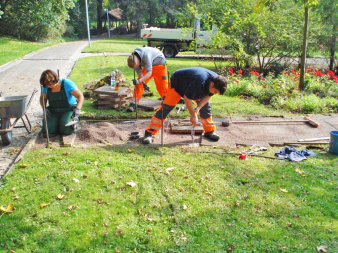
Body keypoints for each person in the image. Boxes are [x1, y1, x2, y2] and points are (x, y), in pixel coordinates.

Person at [142, 67, 227, 144]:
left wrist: (198, 108)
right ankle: (150, 132)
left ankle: (209, 132)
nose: (214, 93)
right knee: (167, 107)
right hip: (178, 83)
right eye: (215, 91)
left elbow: (208, 96)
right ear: (211, 84)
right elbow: (187, 98)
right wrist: (193, 115)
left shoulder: (216, 81)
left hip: (193, 86)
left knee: (205, 109)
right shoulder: (200, 81)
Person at [39, 69, 84, 137]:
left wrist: (77, 111)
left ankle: (68, 123)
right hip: (53, 110)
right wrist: (44, 109)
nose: (48, 86)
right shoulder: (46, 86)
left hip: (68, 109)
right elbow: (43, 98)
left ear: (55, 80)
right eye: (46, 85)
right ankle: (56, 124)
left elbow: (80, 96)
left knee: (66, 129)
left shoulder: (67, 84)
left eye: (50, 85)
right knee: (48, 131)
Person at [127, 47, 169, 112]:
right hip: (149, 65)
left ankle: (167, 101)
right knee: (139, 85)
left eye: (137, 66)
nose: (136, 67)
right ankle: (134, 103)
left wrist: (139, 81)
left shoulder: (146, 56)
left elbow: (149, 73)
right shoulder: (133, 59)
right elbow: (139, 72)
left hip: (159, 64)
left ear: (138, 61)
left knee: (162, 86)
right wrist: (141, 81)